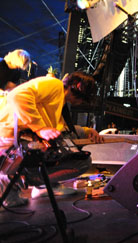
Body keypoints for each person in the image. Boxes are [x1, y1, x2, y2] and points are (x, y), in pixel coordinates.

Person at [0, 71, 102, 206]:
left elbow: (59, 128)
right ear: (79, 87)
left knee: (74, 140)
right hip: (12, 140)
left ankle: (35, 183)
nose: (82, 102)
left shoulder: (60, 101)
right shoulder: (54, 84)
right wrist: (40, 128)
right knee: (82, 163)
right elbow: (16, 96)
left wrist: (88, 131)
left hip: (25, 138)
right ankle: (11, 180)